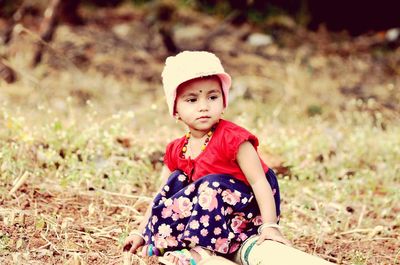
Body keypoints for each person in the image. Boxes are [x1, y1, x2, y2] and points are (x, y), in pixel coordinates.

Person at [123, 51, 290, 265]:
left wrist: (269, 226)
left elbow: (260, 181)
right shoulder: (177, 149)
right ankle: (169, 240)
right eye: (192, 100)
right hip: (211, 214)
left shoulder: (234, 139)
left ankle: (202, 251)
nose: (204, 106)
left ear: (224, 101)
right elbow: (162, 195)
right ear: (175, 110)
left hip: (246, 213)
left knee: (211, 183)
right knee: (175, 180)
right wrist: (142, 232)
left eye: (212, 97)